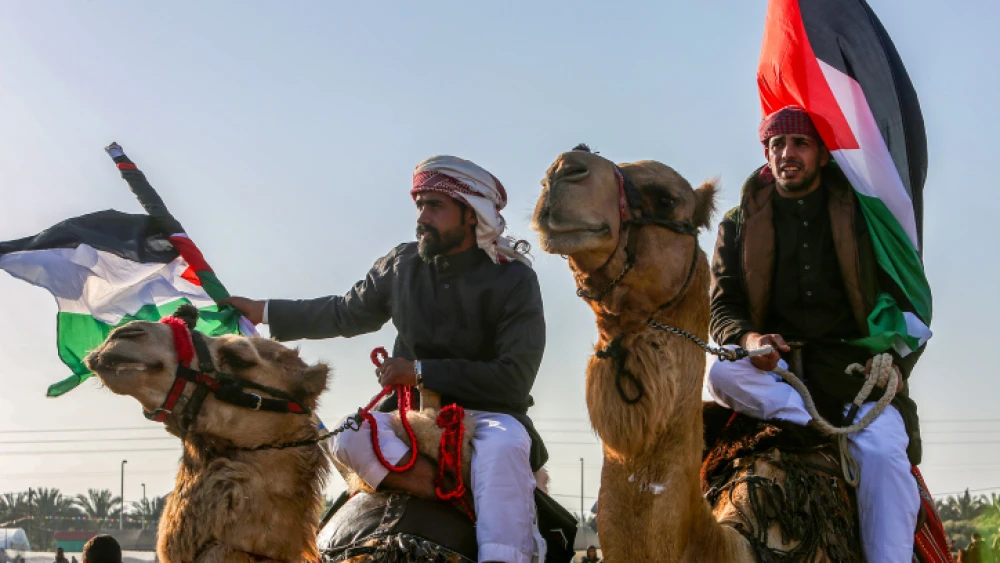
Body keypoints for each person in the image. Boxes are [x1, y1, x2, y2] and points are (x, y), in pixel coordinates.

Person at [224, 156, 547, 563]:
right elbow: (345, 312)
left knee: (503, 449)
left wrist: (419, 372)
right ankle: (442, 490)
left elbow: (515, 377)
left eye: (435, 206)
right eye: (419, 205)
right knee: (347, 434)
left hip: (490, 415)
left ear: (471, 214)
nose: (422, 216)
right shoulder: (402, 264)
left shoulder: (514, 279)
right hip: (409, 416)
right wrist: (263, 311)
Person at [706, 106, 925, 563]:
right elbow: (723, 308)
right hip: (779, 376)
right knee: (720, 373)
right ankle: (818, 428)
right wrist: (751, 342)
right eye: (777, 145)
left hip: (852, 375)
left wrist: (896, 368)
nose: (787, 154)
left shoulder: (865, 216)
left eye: (800, 144)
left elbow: (909, 305)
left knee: (885, 457)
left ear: (823, 153)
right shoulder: (738, 223)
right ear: (766, 153)